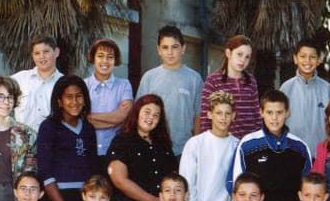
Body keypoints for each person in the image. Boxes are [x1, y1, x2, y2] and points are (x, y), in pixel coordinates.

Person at [228, 89, 312, 201]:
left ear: (287, 113)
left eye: (279, 112)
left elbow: (308, 188)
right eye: (269, 112)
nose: (274, 118)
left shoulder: (300, 147)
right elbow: (235, 184)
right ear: (261, 112)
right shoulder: (247, 145)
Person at [106, 95, 177, 201]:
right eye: (147, 112)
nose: (151, 118)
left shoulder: (162, 143)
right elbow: (119, 180)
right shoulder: (122, 141)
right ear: (137, 112)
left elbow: (173, 176)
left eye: (156, 115)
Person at [37, 75, 100, 201]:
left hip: (86, 200)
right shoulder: (49, 127)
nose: (74, 102)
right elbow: (45, 173)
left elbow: (94, 170)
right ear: (59, 101)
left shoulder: (88, 128)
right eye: (69, 97)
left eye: (79, 96)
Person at [135, 25, 203, 157]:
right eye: (165, 47)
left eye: (175, 47)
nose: (170, 52)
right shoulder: (149, 77)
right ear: (158, 50)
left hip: (184, 150)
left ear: (183, 48)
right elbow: (138, 114)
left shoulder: (194, 78)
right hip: (153, 146)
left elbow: (198, 116)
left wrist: (196, 147)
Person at [179, 91, 239, 201]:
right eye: (218, 113)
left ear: (233, 116)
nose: (223, 118)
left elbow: (238, 183)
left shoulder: (237, 145)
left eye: (227, 113)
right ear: (209, 114)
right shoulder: (195, 144)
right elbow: (187, 182)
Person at [83, 38, 133, 170]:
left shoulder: (124, 85)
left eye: (110, 57)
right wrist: (114, 119)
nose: (105, 61)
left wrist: (89, 117)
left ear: (115, 60)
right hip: (87, 150)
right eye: (100, 56)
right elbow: (79, 119)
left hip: (116, 151)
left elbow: (124, 116)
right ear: (93, 58)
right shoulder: (83, 85)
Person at [280, 39, 330, 156]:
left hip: (320, 154)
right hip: (292, 152)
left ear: (319, 60)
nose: (307, 61)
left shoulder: (327, 89)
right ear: (295, 59)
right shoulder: (286, 88)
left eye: (312, 57)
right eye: (303, 56)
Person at [200, 35, 260, 139]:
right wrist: (208, 142)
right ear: (228, 53)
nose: (243, 60)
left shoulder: (251, 81)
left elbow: (257, 115)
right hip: (224, 141)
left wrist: (259, 140)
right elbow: (206, 117)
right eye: (239, 54)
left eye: (247, 57)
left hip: (249, 142)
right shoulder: (213, 80)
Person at [11, 34, 63, 131]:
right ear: (32, 56)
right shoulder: (19, 79)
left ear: (56, 52)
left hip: (53, 139)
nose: (42, 57)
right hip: (23, 139)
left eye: (46, 52)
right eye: (37, 53)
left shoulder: (65, 83)